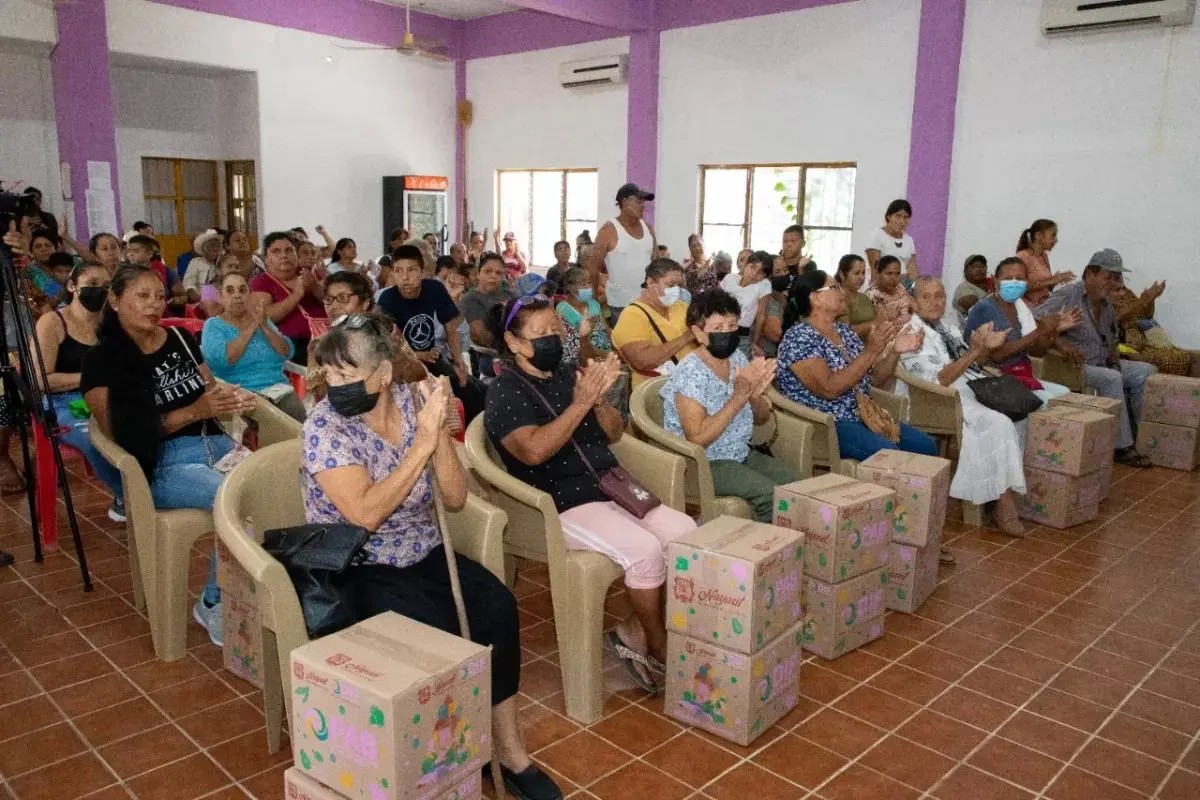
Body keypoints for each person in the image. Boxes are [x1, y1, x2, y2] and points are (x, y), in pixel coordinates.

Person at [302, 317, 562, 800]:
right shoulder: (325, 426)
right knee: (433, 630)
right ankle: (442, 762)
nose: (334, 388)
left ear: (381, 375)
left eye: (346, 375)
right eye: (329, 377)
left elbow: (456, 497)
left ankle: (506, 750)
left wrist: (438, 433)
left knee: (497, 608)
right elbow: (363, 515)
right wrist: (419, 445)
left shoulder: (411, 401)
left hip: (421, 548)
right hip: (357, 564)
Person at [484, 295, 696, 690]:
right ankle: (658, 648)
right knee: (644, 550)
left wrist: (597, 402)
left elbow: (614, 432)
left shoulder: (568, 373)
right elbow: (533, 451)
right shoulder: (505, 391)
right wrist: (580, 405)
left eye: (555, 330)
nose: (551, 339)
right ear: (514, 343)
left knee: (686, 533)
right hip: (557, 502)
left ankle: (634, 629)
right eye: (540, 334)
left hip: (608, 484)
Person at [81, 265, 259, 645]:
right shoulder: (102, 360)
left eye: (159, 296)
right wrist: (196, 412)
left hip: (216, 444)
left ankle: (257, 596)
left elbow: (209, 388)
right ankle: (214, 603)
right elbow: (122, 435)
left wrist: (230, 399)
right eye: (142, 296)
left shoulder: (179, 336)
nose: (154, 305)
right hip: (160, 464)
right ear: (114, 300)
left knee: (273, 489)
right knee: (237, 499)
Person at [900, 277, 1027, 535]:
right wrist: (973, 351)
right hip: (935, 398)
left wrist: (984, 349)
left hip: (966, 387)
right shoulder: (911, 332)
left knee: (1018, 413)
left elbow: (971, 364)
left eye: (939, 296)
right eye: (926, 297)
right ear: (913, 302)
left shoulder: (948, 328)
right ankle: (1002, 502)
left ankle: (998, 490)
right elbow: (939, 379)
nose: (935, 302)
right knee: (997, 421)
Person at [663, 290, 798, 522]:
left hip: (740, 452)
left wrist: (754, 396)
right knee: (770, 495)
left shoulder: (736, 358)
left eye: (732, 325)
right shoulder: (690, 372)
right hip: (704, 463)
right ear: (698, 332)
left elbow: (762, 419)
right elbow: (697, 438)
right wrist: (737, 398)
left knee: (800, 486)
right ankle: (764, 551)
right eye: (717, 328)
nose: (727, 332)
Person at [776, 270, 936, 461]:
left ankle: (912, 490)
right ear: (815, 298)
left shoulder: (844, 331)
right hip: (825, 423)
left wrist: (894, 351)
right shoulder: (799, 338)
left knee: (926, 445)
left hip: (863, 415)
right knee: (890, 454)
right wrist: (871, 351)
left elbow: (875, 378)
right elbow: (829, 388)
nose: (842, 292)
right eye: (834, 287)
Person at [1035, 249, 1155, 467]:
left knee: (1146, 371)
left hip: (1102, 363)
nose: (1112, 283)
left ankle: (1140, 434)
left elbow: (1111, 338)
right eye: (1108, 277)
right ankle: (1122, 447)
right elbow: (1035, 321)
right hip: (1073, 365)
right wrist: (1059, 342)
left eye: (1117, 278)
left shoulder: (1106, 303)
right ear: (1090, 274)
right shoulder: (1068, 295)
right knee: (1112, 378)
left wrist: (1116, 360)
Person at [33, 263, 126, 520]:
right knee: (95, 438)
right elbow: (41, 380)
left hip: (108, 394)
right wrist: (90, 377)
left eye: (106, 287)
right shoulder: (53, 322)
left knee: (147, 424)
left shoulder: (111, 322)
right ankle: (128, 498)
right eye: (92, 284)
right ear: (73, 286)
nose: (99, 291)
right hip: (62, 402)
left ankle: (147, 489)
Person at [378, 245, 483, 421]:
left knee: (472, 388)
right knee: (443, 395)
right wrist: (420, 355)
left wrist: (458, 362)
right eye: (398, 271)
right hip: (401, 365)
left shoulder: (434, 289)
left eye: (411, 270)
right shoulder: (387, 300)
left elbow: (451, 328)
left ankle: (474, 436)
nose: (405, 277)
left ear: (422, 272)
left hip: (431, 359)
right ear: (392, 274)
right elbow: (389, 346)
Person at [963, 257, 1077, 403]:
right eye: (1008, 278)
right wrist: (1039, 331)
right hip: (991, 377)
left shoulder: (1020, 307)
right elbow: (997, 355)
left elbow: (1036, 351)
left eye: (1020, 278)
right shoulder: (986, 308)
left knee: (1064, 394)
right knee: (1048, 401)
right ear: (995, 281)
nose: (1015, 283)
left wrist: (1053, 330)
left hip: (1021, 373)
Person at [201, 271, 305, 422]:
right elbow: (225, 359)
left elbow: (286, 352)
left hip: (279, 390)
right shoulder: (213, 325)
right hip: (241, 394)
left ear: (250, 296)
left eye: (243, 290)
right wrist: (251, 328)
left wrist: (264, 327)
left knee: (297, 417)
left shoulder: (262, 320)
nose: (237, 295)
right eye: (230, 290)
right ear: (221, 297)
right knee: (269, 422)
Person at [307, 274, 429, 401]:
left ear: (364, 303)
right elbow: (321, 397)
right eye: (328, 299)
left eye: (343, 298)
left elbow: (419, 376)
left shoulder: (387, 334)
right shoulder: (319, 345)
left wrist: (398, 355)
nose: (333, 307)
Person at [611, 259, 696, 387]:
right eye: (671, 285)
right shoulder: (632, 315)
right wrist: (687, 337)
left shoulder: (681, 306)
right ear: (650, 282)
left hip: (690, 382)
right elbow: (641, 361)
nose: (676, 290)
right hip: (657, 389)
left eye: (680, 286)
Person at [251, 231, 325, 365]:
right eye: (276, 251)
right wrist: (296, 294)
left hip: (325, 338)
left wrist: (314, 287)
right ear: (266, 258)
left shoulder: (312, 273)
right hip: (291, 347)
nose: (284, 255)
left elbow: (332, 302)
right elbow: (266, 316)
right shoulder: (261, 282)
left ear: (296, 255)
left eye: (289, 250)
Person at [588, 184, 657, 322]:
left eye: (644, 201)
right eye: (639, 201)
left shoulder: (648, 228)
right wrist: (593, 302)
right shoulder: (608, 230)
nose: (643, 205)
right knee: (625, 343)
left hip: (648, 302)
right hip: (621, 305)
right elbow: (593, 269)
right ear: (625, 202)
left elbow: (657, 264)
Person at [1109, 274, 1191, 376]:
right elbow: (1116, 319)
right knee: (1152, 362)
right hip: (1118, 348)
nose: (1122, 293)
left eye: (1122, 289)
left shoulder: (1126, 293)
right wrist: (1143, 300)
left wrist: (1152, 299)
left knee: (1184, 356)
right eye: (1118, 290)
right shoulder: (1102, 300)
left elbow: (1146, 315)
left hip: (1137, 341)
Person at [459, 253, 512, 379]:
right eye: (488, 271)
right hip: (490, 356)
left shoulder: (510, 294)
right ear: (478, 274)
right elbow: (481, 338)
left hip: (515, 349)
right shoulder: (471, 299)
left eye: (498, 273)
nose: (493, 276)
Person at [720, 250, 772, 356]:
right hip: (719, 332)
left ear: (765, 276)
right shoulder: (730, 278)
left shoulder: (763, 285)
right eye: (752, 267)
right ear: (746, 264)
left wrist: (755, 342)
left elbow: (761, 316)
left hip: (741, 336)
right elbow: (715, 303)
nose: (754, 274)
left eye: (761, 272)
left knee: (741, 369)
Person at [1016, 219, 1074, 307]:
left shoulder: (1044, 257)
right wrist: (1051, 280)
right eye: (1053, 235)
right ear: (1038, 235)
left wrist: (1057, 280)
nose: (1056, 240)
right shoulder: (1023, 256)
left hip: (1044, 306)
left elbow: (1046, 288)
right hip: (1029, 309)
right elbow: (1018, 288)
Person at [864, 199, 917, 286]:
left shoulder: (909, 240)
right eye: (898, 216)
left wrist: (917, 286)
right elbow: (875, 271)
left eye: (906, 217)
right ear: (888, 216)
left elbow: (913, 270)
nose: (902, 221)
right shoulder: (877, 235)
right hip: (882, 287)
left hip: (903, 288)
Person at [752, 257, 795, 358]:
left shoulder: (782, 296)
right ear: (768, 277)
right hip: (764, 356)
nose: (784, 274)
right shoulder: (765, 300)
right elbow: (775, 335)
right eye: (777, 272)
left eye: (785, 270)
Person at [835, 254, 876, 341]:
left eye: (863, 273)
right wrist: (875, 323)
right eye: (856, 273)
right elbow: (845, 332)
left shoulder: (864, 298)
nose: (862, 277)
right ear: (842, 275)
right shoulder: (837, 299)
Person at [868, 255, 914, 324]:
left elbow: (911, 309)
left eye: (897, 274)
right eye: (889, 273)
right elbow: (882, 325)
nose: (894, 278)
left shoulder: (900, 287)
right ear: (878, 273)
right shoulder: (872, 296)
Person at [182, 229, 223, 303]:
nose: (216, 248)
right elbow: (188, 283)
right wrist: (195, 296)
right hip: (199, 300)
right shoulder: (196, 262)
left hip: (220, 300)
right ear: (204, 248)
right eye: (212, 245)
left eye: (218, 245)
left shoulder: (223, 261)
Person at [952, 254, 993, 327]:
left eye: (982, 266)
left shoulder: (990, 284)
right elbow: (975, 306)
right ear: (965, 271)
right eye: (974, 266)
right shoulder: (963, 287)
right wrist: (996, 293)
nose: (979, 269)